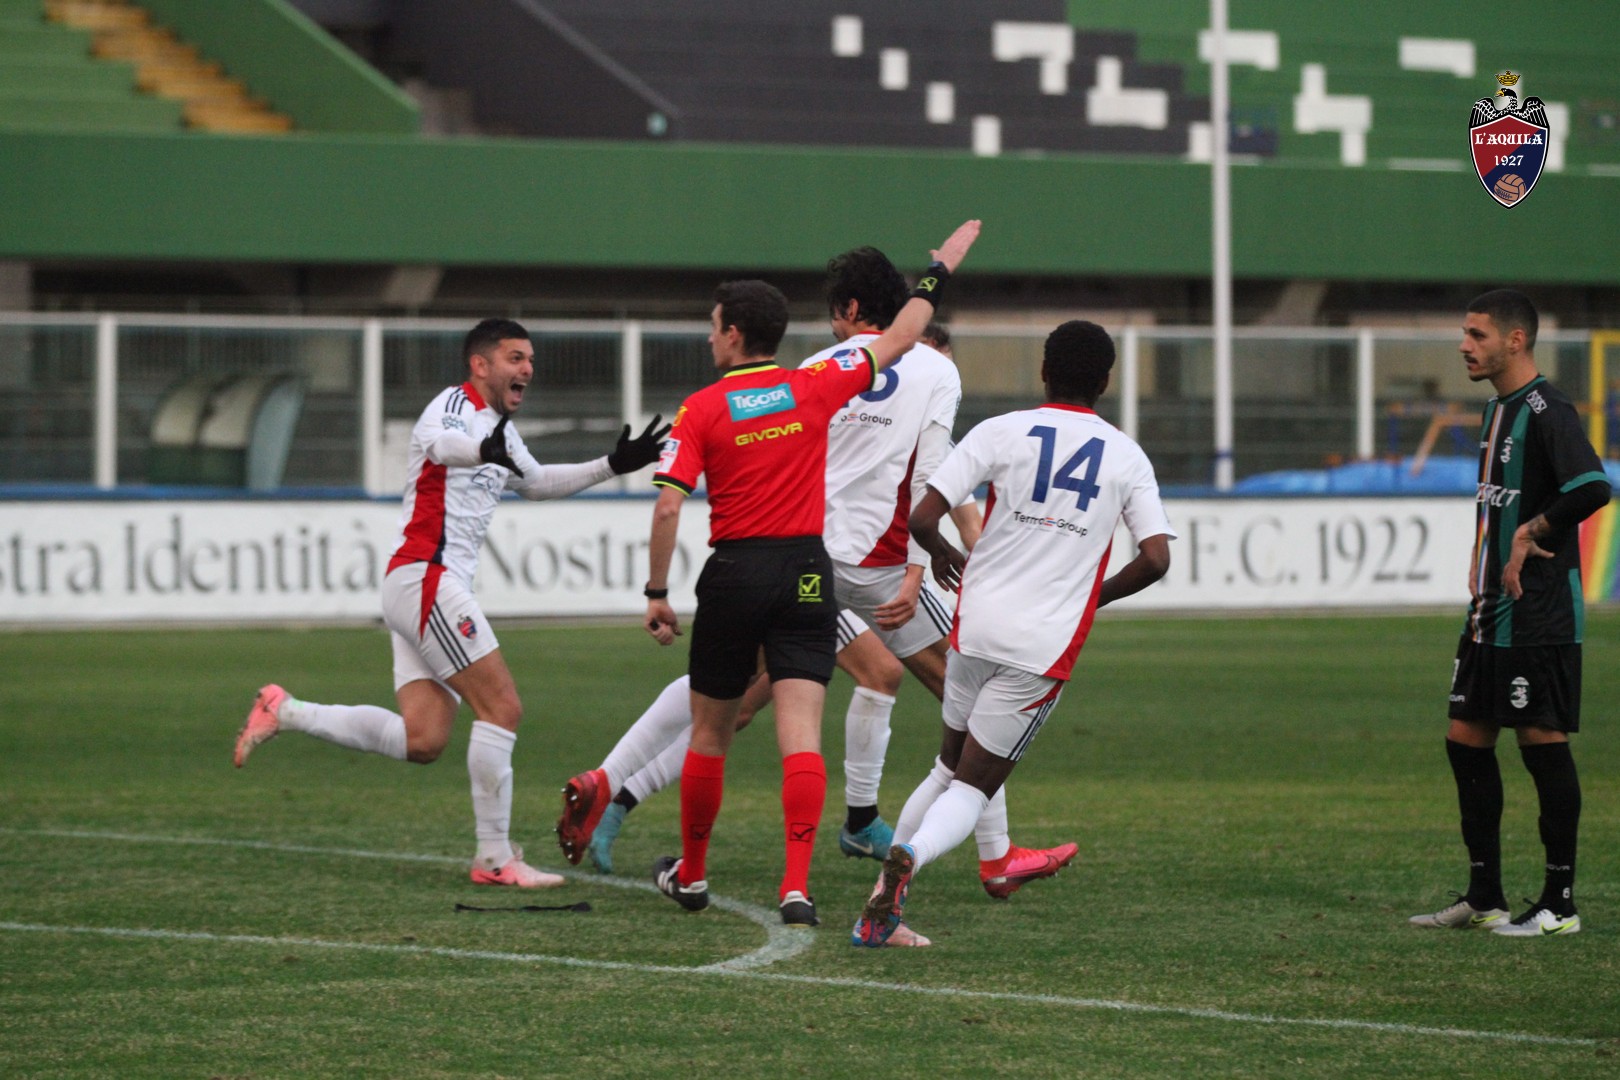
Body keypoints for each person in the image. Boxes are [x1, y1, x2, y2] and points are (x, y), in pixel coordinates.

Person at [558, 292, 1073, 912]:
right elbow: (939, 493)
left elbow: (949, 503)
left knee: (785, 691)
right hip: (837, 567)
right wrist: (936, 570)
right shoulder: (896, 388)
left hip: (804, 560)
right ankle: (982, 853)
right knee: (950, 688)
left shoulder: (821, 377)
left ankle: (626, 791)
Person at [232, 318, 669, 887]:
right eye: (515, 358)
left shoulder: (501, 430)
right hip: (427, 577)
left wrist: (612, 465)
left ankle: (285, 710)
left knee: (424, 739)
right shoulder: (454, 407)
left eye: (530, 359)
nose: (527, 369)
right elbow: (443, 446)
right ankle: (495, 858)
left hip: (422, 586)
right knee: (502, 708)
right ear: (480, 365)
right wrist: (481, 448)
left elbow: (536, 482)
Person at [638, 220, 980, 929]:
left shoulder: (703, 408)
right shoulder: (812, 385)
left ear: (733, 335)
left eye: (713, 327)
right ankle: (796, 888)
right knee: (802, 735)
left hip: (736, 571)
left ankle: (691, 874)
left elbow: (668, 506)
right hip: (805, 572)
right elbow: (903, 335)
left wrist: (657, 592)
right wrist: (939, 272)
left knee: (712, 733)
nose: (710, 337)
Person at [854, 319, 1175, 946]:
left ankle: (878, 912)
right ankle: (911, 858)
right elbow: (1157, 558)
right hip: (1041, 645)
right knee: (973, 788)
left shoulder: (1001, 430)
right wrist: (1095, 596)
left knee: (947, 767)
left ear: (1044, 372)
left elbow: (922, 516)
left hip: (975, 626)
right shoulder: (1126, 455)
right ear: (1106, 382)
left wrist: (942, 554)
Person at [1409, 290, 1610, 937]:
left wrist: (1532, 531)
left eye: (1477, 335)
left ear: (1515, 340)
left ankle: (1559, 904)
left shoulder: (1548, 410)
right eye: (1464, 333)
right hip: (1488, 613)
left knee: (1540, 743)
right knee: (1464, 739)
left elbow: (1593, 486)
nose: (1464, 345)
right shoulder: (1497, 408)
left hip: (1537, 612)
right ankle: (1485, 896)